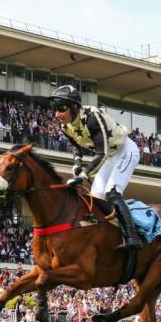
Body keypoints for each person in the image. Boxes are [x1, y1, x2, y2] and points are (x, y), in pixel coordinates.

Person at [48, 85, 142, 250]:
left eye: (61, 108)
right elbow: (75, 147)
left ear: (75, 106)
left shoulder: (92, 116)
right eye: (54, 109)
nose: (57, 114)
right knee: (96, 195)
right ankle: (106, 233)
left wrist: (83, 175)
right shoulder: (66, 127)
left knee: (112, 192)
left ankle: (133, 237)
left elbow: (102, 152)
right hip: (111, 156)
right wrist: (77, 163)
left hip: (125, 150)